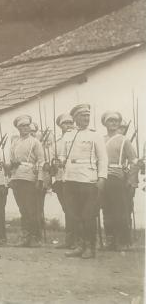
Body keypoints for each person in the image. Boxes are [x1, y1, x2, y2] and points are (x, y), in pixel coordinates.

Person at [62, 104, 107, 259]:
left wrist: (102, 177)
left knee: (88, 215)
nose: (86, 118)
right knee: (75, 214)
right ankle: (80, 245)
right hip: (70, 178)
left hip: (88, 179)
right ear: (74, 118)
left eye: (87, 116)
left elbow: (102, 159)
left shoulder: (95, 136)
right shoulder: (68, 135)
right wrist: (58, 162)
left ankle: (90, 247)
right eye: (82, 116)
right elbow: (63, 156)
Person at [101, 111, 137, 251]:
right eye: (110, 120)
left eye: (116, 121)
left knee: (120, 210)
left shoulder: (124, 140)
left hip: (117, 178)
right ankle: (110, 239)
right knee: (106, 209)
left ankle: (122, 241)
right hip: (102, 177)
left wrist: (131, 180)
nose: (114, 123)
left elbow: (134, 162)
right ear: (105, 123)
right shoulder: (101, 139)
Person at [8, 115, 45, 247]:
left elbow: (41, 161)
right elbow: (11, 161)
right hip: (17, 177)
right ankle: (25, 236)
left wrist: (40, 179)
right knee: (22, 209)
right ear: (18, 128)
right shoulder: (15, 142)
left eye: (27, 125)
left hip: (30, 177)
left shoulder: (35, 142)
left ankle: (35, 237)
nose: (25, 128)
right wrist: (12, 165)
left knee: (32, 209)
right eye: (22, 126)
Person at [52, 113, 76, 249]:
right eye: (65, 123)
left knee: (75, 209)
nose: (69, 125)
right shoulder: (57, 143)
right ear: (60, 126)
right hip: (61, 179)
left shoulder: (77, 140)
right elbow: (50, 162)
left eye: (71, 123)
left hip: (74, 179)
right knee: (67, 209)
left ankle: (78, 239)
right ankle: (70, 239)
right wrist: (53, 165)